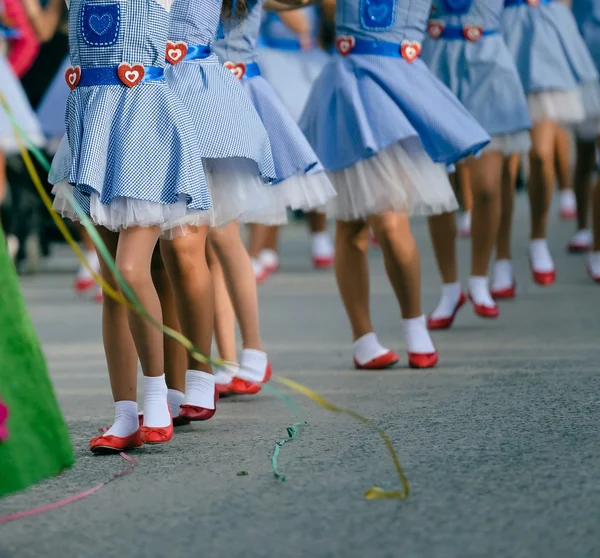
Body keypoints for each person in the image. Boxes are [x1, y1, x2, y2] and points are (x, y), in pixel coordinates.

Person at [48, 0, 218, 452]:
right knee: (112, 283)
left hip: (146, 130)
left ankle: (157, 396)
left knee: (131, 269)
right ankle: (124, 414)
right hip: (92, 131)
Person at [300, 0, 490, 369]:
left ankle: (414, 323)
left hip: (396, 91)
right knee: (351, 222)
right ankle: (363, 337)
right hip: (346, 90)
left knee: (388, 219)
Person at [422, 0, 532, 329]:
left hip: (488, 63)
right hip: (434, 62)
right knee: (438, 186)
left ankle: (480, 278)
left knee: (487, 185)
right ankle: (449, 287)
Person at [502, 0, 600, 286]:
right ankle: (522, 247)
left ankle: (595, 248)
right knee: (542, 156)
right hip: (518, 41)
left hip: (562, 49)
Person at [253, 7, 335, 275]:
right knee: (276, 153)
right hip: (272, 64)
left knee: (313, 149)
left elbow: (319, 23)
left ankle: (320, 234)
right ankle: (266, 246)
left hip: (310, 63)